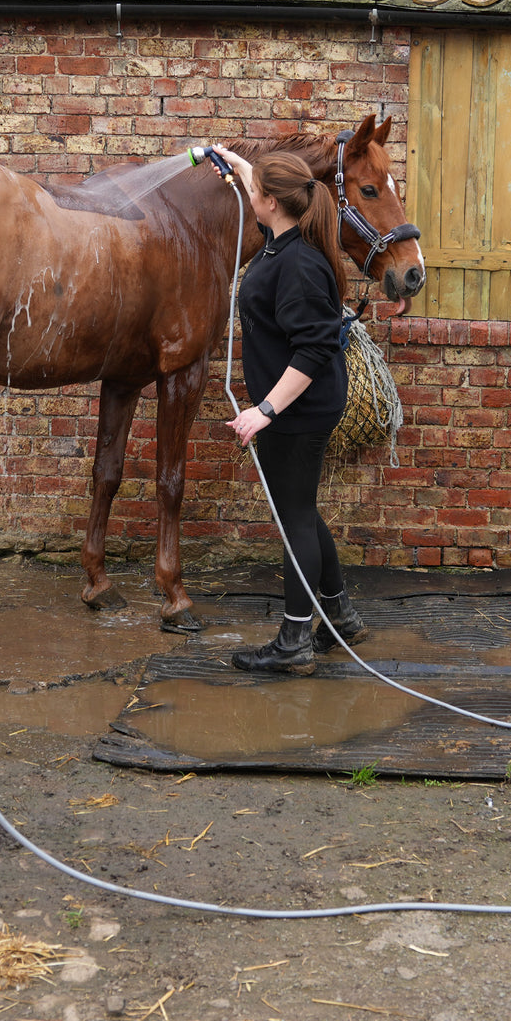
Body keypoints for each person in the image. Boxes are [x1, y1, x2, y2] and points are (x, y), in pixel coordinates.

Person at [208, 144, 369, 676]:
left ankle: (295, 640)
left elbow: (314, 350)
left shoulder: (297, 263)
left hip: (300, 411)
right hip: (295, 409)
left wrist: (266, 411)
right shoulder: (286, 236)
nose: (250, 196)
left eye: (254, 192)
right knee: (298, 506)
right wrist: (238, 165)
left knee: (293, 515)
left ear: (272, 203)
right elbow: (269, 184)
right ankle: (341, 616)